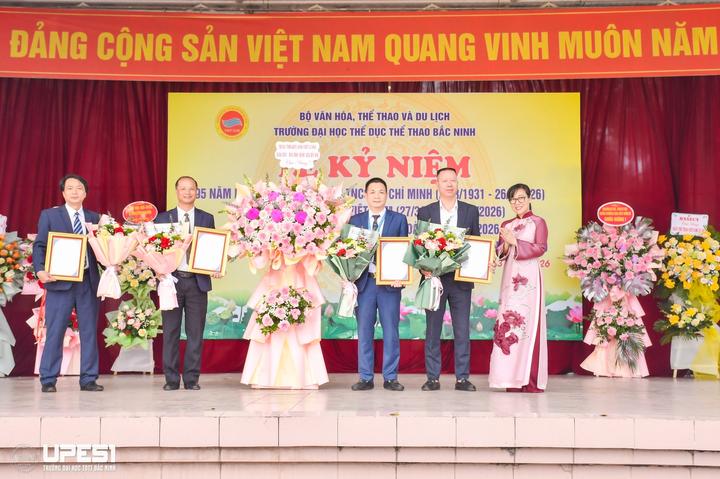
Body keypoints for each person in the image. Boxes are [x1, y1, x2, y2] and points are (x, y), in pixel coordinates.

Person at [33, 174, 103, 392]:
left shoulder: (95, 218)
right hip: (59, 282)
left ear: (85, 193)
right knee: (55, 331)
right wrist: (40, 270)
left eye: (79, 188)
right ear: (63, 193)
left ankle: (89, 378)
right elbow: (40, 245)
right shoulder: (50, 215)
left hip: (88, 282)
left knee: (89, 331)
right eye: (70, 188)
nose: (74, 192)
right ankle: (48, 379)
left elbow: (105, 248)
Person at [417, 167, 480, 391]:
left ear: (457, 183)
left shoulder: (470, 211)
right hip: (434, 279)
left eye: (453, 180)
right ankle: (432, 378)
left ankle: (462, 378)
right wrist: (424, 270)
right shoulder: (426, 211)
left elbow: (476, 244)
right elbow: (419, 246)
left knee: (462, 330)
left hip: (461, 280)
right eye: (444, 181)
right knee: (432, 330)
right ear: (437, 184)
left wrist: (481, 265)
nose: (449, 184)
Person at [155, 176, 217, 391]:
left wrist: (215, 267)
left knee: (195, 333)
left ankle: (192, 379)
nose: (188, 192)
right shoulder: (163, 218)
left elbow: (211, 248)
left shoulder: (206, 218)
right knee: (170, 332)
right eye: (183, 188)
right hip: (171, 282)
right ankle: (171, 379)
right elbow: (154, 250)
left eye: (191, 189)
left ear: (197, 192)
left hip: (197, 283)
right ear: (177, 191)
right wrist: (157, 269)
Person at [348, 178, 408, 391]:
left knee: (391, 331)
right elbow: (349, 252)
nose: (376, 195)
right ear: (365, 195)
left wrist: (402, 275)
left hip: (390, 285)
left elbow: (404, 252)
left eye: (381, 191)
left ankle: (391, 377)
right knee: (364, 331)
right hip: (364, 284)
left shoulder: (398, 219)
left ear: (386, 195)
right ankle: (365, 377)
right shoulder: (355, 220)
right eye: (372, 191)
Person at [488, 183, 548, 393]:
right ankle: (508, 378)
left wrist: (515, 241)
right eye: (513, 199)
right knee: (507, 322)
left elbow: (541, 247)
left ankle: (527, 379)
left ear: (529, 198)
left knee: (527, 324)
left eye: (521, 198)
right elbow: (501, 252)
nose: (517, 203)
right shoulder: (507, 224)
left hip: (529, 278)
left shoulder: (538, 222)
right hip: (509, 277)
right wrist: (505, 244)